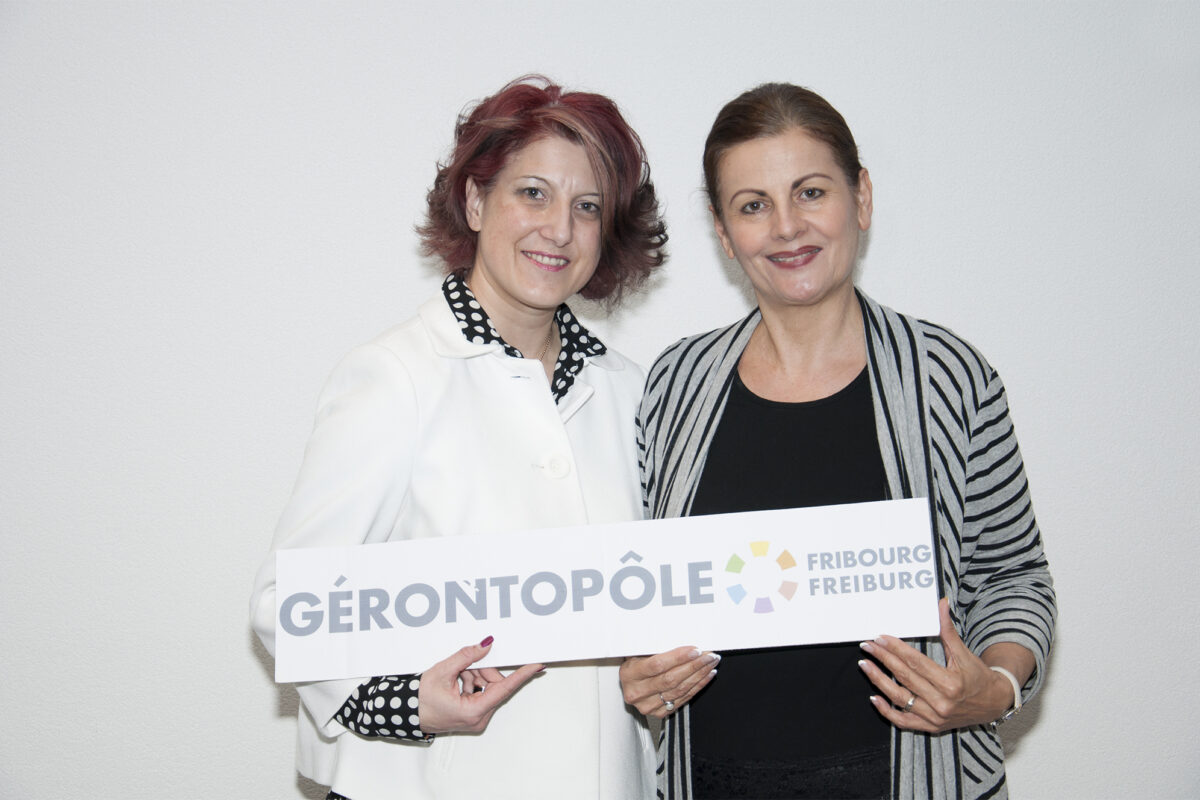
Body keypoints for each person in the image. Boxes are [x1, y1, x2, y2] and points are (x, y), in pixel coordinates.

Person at [620, 83, 1056, 799]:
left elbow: (1014, 575)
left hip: (916, 781)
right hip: (714, 782)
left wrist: (998, 685)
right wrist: (635, 669)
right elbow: (640, 588)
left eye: (811, 192)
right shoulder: (674, 385)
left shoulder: (950, 376)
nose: (787, 227)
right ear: (724, 233)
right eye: (753, 205)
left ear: (862, 198)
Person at [250, 75, 667, 800]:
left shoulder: (633, 391)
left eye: (588, 206)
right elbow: (289, 602)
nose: (559, 229)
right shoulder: (395, 377)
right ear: (475, 202)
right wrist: (407, 702)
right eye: (532, 193)